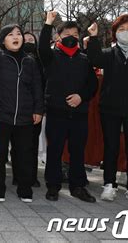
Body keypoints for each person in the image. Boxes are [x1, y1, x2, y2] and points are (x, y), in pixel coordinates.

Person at [0, 21, 43, 203]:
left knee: (24, 155)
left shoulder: (30, 61)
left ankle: (25, 189)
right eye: (11, 35)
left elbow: (37, 86)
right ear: (3, 41)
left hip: (25, 117)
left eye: (18, 34)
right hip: (0, 116)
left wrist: (38, 109)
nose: (16, 37)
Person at [39, 11, 98, 203]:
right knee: (54, 150)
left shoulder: (84, 58)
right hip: (56, 113)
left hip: (79, 114)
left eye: (74, 35)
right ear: (58, 37)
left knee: (77, 151)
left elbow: (92, 85)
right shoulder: (51, 56)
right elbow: (42, 48)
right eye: (66, 35)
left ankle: (78, 186)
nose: (71, 39)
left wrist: (81, 97)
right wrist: (48, 23)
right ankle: (53, 186)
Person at [87, 15, 128, 205]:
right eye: (121, 29)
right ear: (115, 34)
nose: (126, 32)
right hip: (110, 110)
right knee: (111, 147)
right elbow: (94, 58)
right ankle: (109, 184)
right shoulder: (109, 54)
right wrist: (94, 37)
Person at [10, 31, 45, 188]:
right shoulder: (21, 60)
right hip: (16, 110)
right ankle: (18, 175)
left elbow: (39, 87)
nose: (29, 42)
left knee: (31, 146)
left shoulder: (41, 61)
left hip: (34, 110)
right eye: (27, 40)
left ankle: (32, 176)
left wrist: (39, 108)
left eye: (32, 40)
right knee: (18, 146)